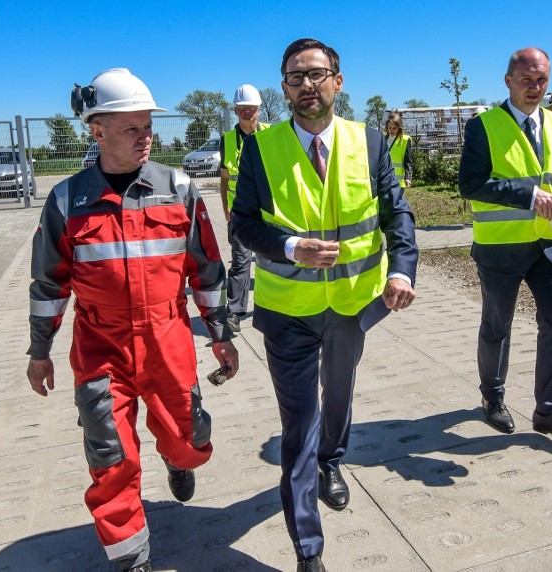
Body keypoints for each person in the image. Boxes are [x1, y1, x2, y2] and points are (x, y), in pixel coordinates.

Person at [26, 68, 239, 572]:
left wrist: (221, 336)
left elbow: (207, 271)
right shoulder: (65, 200)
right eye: (132, 128)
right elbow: (49, 286)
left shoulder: (179, 189)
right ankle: (131, 558)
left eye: (148, 126)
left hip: (168, 340)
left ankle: (175, 459)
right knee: (111, 459)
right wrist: (39, 352)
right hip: (101, 350)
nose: (146, 137)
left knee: (191, 445)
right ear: (96, 131)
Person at [230, 38, 418, 572]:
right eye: (294, 78)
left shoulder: (371, 142)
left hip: (352, 305)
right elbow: (241, 224)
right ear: (283, 89)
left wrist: (402, 270)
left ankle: (333, 461)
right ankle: (308, 551)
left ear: (338, 80)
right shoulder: (262, 150)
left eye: (316, 74)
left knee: (337, 396)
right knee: (299, 421)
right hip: (287, 310)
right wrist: (290, 247)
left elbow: (397, 216)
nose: (306, 85)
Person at [459, 47, 552, 449]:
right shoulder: (484, 126)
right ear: (508, 81)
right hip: (500, 249)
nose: (535, 88)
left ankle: (547, 411)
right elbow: (471, 183)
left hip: (551, 246)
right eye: (526, 80)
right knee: (497, 327)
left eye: (542, 80)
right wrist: (529, 195)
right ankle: (493, 397)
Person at [219, 84, 270, 332]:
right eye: (242, 109)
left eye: (251, 108)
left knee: (270, 261)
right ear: (236, 110)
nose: (247, 113)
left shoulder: (273, 135)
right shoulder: (228, 140)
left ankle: (272, 306)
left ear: (259, 110)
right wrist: (226, 211)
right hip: (240, 215)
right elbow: (225, 179)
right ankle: (235, 312)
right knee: (240, 262)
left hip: (269, 214)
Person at [384, 111, 414, 188]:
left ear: (399, 128)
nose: (391, 130)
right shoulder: (382, 138)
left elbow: (408, 161)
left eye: (394, 128)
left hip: (398, 182)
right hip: (384, 180)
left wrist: (408, 178)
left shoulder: (405, 140)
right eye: (389, 127)